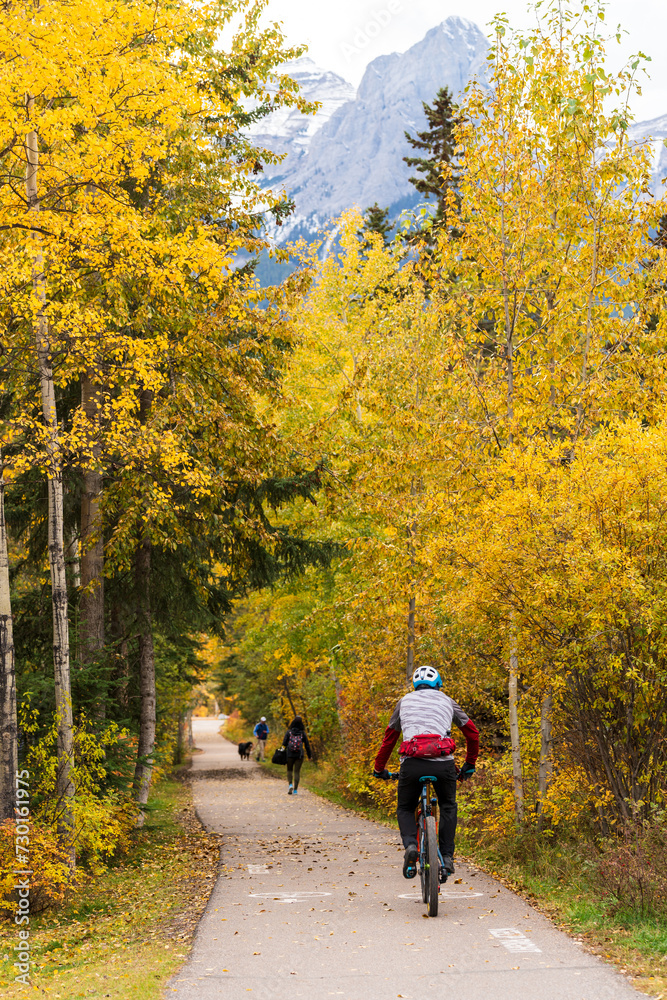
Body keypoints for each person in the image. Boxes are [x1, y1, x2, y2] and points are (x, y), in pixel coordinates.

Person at [372, 664, 479, 880]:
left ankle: (411, 845)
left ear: (415, 685)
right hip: (443, 765)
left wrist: (379, 768)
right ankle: (447, 857)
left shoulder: (404, 701)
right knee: (448, 805)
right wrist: (469, 763)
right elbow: (473, 733)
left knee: (404, 807)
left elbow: (389, 738)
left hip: (412, 765)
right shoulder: (448, 701)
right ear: (438, 685)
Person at [282, 715, 312, 794]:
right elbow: (307, 745)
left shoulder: (289, 732)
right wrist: (309, 756)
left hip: (289, 754)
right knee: (297, 772)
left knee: (289, 770)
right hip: (299, 755)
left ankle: (290, 785)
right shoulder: (302, 733)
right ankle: (295, 790)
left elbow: (284, 743)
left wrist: (281, 752)